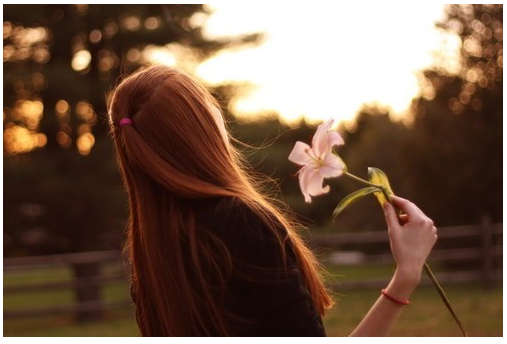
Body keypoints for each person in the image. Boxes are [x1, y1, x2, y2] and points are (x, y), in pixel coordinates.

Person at [108, 65, 437, 337]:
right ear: (201, 129)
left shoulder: (152, 252)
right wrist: (405, 276)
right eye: (209, 106)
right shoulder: (241, 223)